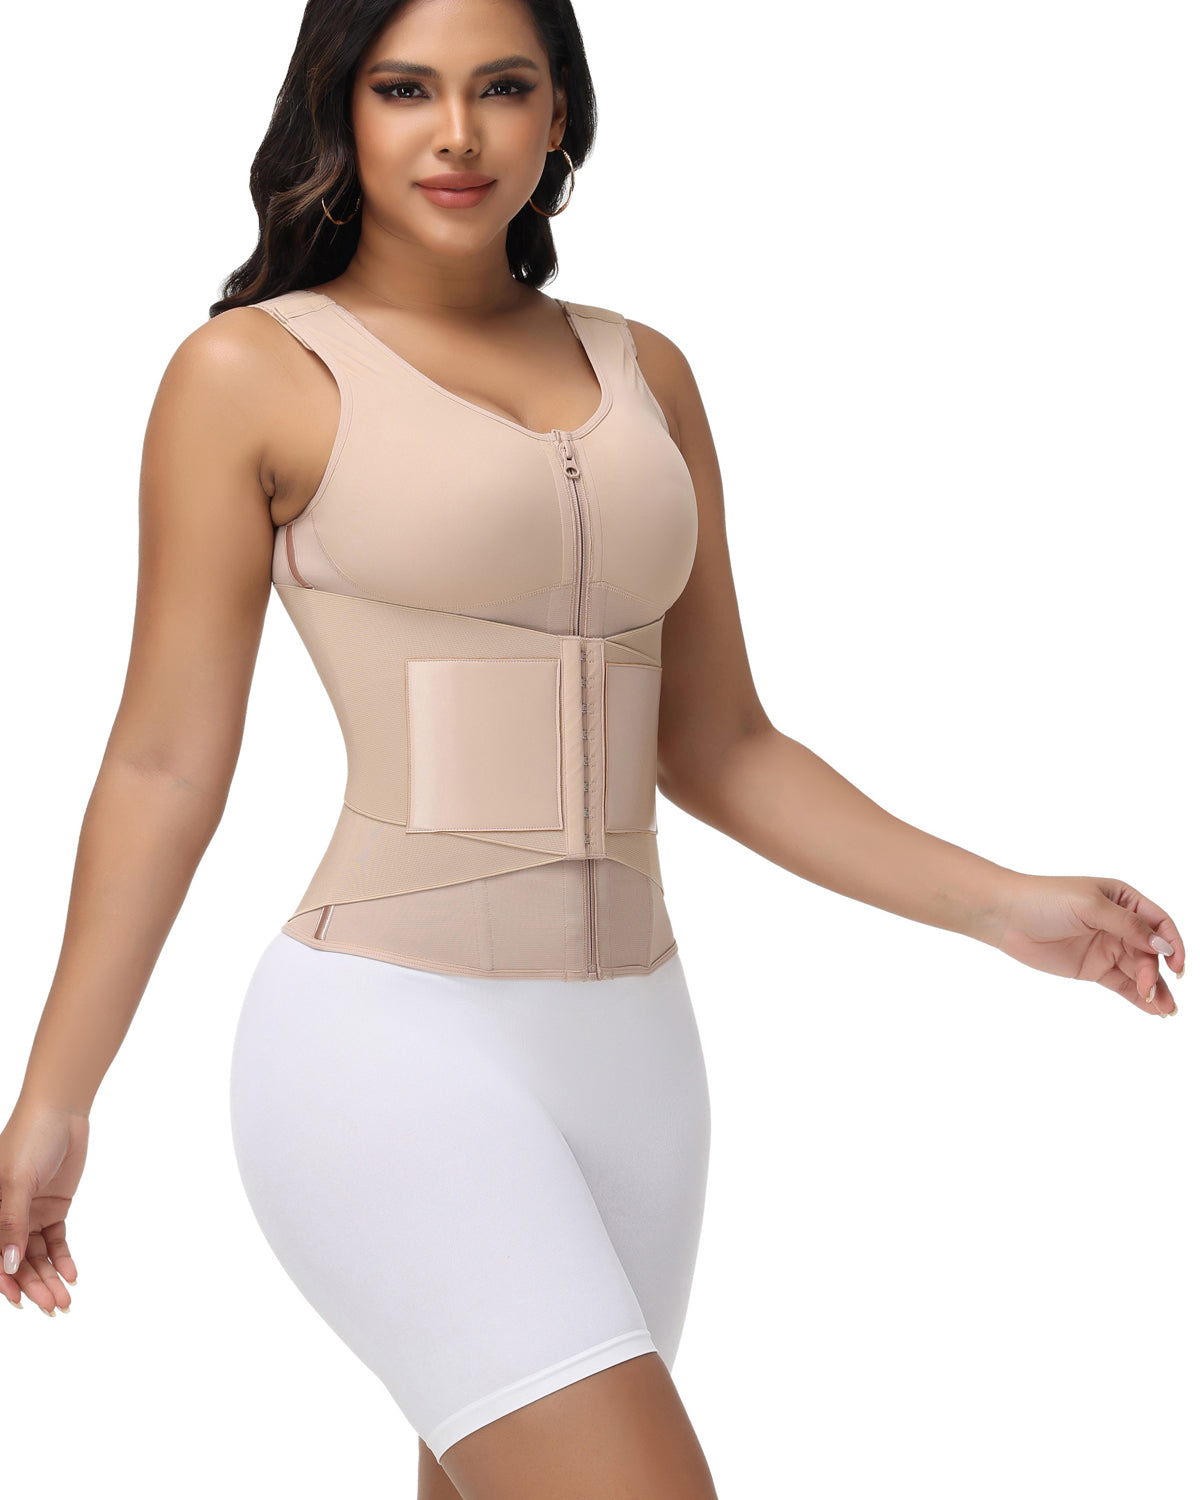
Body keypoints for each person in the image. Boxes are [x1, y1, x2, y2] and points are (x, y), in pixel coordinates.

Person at [0, 0, 1185, 1497]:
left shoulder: (647, 371)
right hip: (384, 1044)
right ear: (340, 111)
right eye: (405, 90)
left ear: (559, 113)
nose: (456, 135)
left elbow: (723, 745)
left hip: (638, 1057)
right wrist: (56, 1097)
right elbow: (166, 764)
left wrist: (1004, 903)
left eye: (502, 88)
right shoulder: (250, 373)